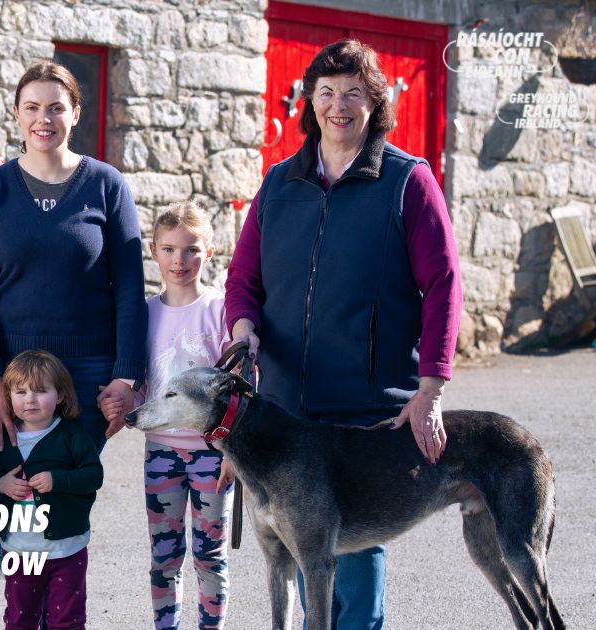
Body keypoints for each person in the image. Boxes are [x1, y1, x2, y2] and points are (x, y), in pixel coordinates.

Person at [224, 40, 462, 630]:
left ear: (374, 102)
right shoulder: (278, 183)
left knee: (354, 566)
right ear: (310, 101)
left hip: (365, 408)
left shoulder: (408, 181)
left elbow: (444, 284)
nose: (338, 105)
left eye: (353, 93)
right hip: (286, 409)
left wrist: (431, 388)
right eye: (327, 93)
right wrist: (244, 329)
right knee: (311, 564)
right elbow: (243, 278)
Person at [0, 61, 147, 629]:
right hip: (6, 382)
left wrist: (126, 377)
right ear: (17, 115)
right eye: (33, 107)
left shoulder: (107, 186)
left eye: (56, 107)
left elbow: (130, 289)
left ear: (75, 114)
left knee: (58, 510)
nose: (45, 118)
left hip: (85, 381)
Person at [102, 202, 234, 629]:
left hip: (214, 454)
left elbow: (237, 388)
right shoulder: (144, 314)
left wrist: (234, 450)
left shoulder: (221, 310)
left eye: (191, 249)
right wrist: (122, 402)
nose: (180, 260)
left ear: (209, 251)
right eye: (170, 249)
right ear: (154, 252)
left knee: (210, 557)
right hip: (161, 452)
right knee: (164, 556)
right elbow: (140, 382)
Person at [0, 350, 104, 630]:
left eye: (40, 390)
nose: (30, 399)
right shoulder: (4, 438)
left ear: (60, 395)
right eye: (20, 392)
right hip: (19, 552)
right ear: (8, 397)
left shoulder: (71, 435)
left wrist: (57, 480)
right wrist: (1, 484)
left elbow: (94, 476)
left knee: (67, 621)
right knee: (19, 619)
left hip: (66, 550)